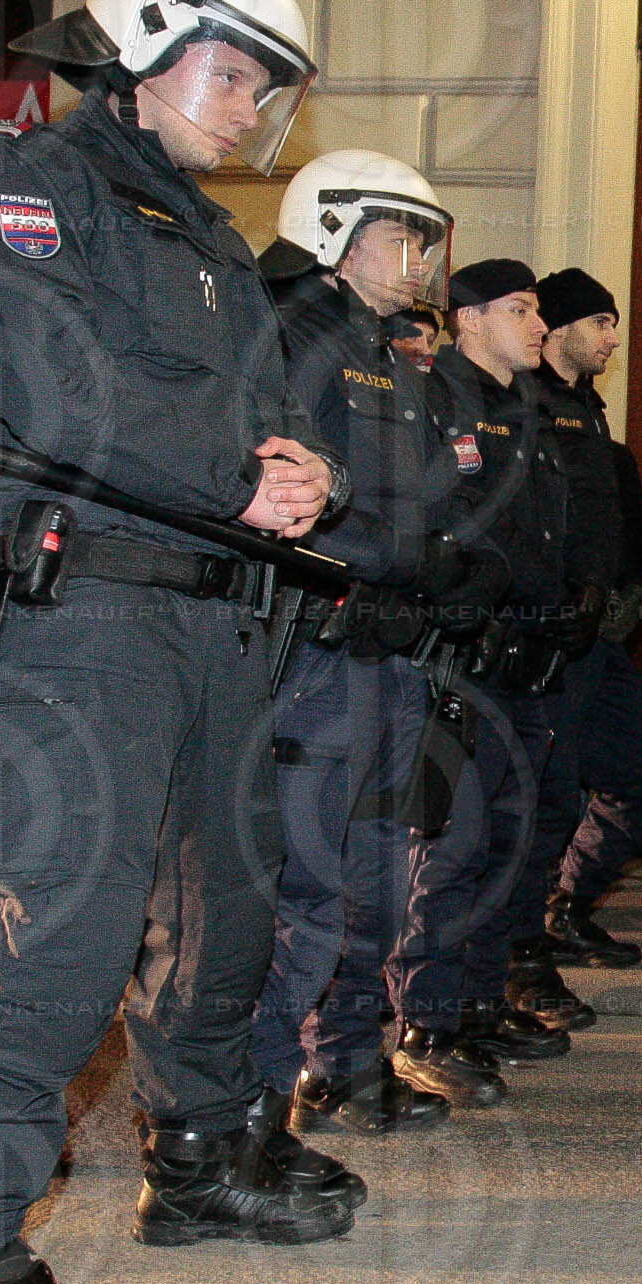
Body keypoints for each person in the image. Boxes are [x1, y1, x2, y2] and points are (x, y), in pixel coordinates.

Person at [0, 0, 358, 1284]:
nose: (248, 114)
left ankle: (199, 1157)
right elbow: (36, 388)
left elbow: (274, 424)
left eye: (268, 90)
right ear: (141, 54)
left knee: (228, 910)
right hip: (81, 619)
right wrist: (243, 471)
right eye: (232, 76)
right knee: (45, 950)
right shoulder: (16, 184)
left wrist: (307, 475)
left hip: (215, 625)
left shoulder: (212, 240)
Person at [252, 151, 508, 1138]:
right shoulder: (288, 334)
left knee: (370, 878)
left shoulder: (385, 349)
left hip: (391, 648)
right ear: (335, 231)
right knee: (307, 884)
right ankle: (251, 1103)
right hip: (320, 646)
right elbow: (287, 492)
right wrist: (386, 569)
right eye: (401, 235)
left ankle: (344, 1064)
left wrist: (445, 573)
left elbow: (424, 500)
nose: (417, 259)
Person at [393, 259, 574, 1104]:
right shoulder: (440, 400)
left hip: (528, 658)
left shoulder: (526, 407)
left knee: (510, 840)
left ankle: (473, 1001)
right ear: (468, 320)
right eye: (520, 309)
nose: (538, 325)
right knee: (451, 846)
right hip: (462, 657)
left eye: (538, 310)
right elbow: (437, 523)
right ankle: (424, 1022)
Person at [510, 264, 642, 1018]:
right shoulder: (526, 400)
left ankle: (564, 908)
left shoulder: (587, 409)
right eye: (601, 322)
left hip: (598, 640)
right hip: (548, 638)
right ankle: (519, 966)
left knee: (641, 773)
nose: (613, 336)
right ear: (562, 326)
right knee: (541, 803)